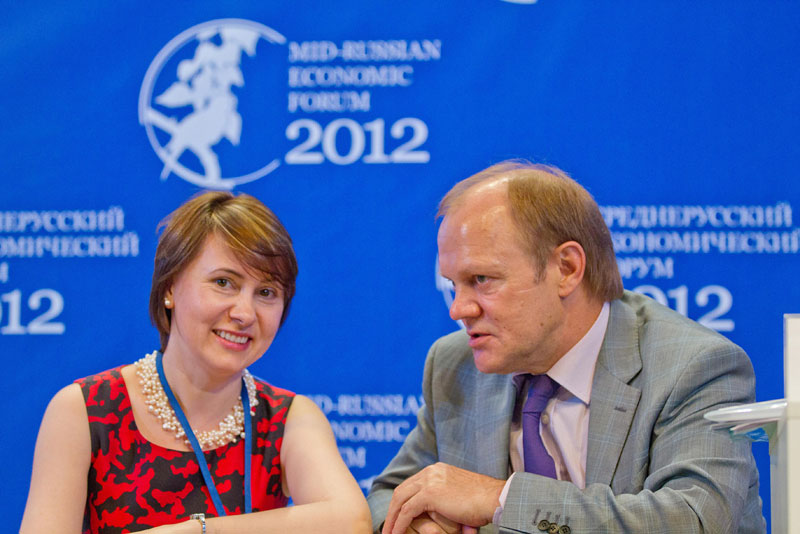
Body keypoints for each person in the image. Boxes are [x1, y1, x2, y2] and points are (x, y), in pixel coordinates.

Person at [367, 161, 765, 534]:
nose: (458, 309)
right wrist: (420, 526)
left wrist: (499, 499)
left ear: (567, 269)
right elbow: (387, 495)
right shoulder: (455, 365)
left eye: (482, 279)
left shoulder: (693, 367)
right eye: (453, 285)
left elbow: (694, 519)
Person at [21, 191, 372, 534]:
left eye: (266, 293)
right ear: (170, 287)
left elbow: (351, 522)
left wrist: (199, 530)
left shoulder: (287, 417)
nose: (244, 313)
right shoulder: (86, 410)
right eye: (224, 283)